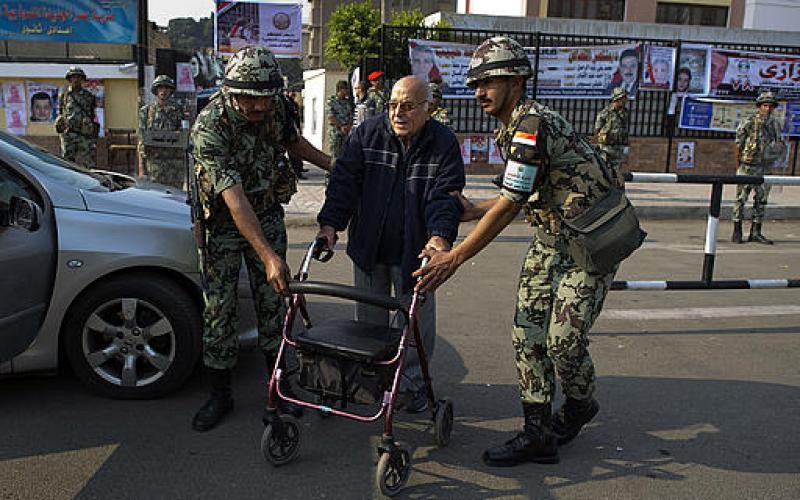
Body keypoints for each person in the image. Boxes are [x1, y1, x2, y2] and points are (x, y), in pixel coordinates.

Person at [414, 36, 617, 466]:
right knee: (527, 336)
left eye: (489, 82)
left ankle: (580, 405)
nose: (479, 92)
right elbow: (520, 193)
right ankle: (538, 433)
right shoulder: (514, 125)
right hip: (549, 242)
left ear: (518, 81)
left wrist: (456, 256)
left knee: (564, 341)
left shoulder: (531, 124)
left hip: (589, 245)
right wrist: (474, 211)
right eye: (475, 84)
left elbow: (509, 205)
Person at [190, 47, 332, 432]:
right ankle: (220, 394)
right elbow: (233, 198)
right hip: (222, 223)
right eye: (247, 99)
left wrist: (336, 165)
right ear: (230, 92)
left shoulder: (278, 107)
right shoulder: (210, 125)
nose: (256, 107)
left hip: (267, 213)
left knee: (274, 300)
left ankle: (279, 387)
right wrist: (268, 255)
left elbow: (293, 143)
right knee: (219, 310)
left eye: (263, 99)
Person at [316, 76, 465, 413]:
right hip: (370, 248)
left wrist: (440, 237)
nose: (398, 113)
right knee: (369, 326)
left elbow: (446, 195)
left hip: (417, 252)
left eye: (408, 106)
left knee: (415, 325)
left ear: (428, 109)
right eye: (393, 105)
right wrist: (330, 225)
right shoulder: (367, 134)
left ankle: (411, 387)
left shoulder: (443, 143)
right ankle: (372, 382)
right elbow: (344, 184)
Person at [731, 91, 786, 245]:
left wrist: (775, 156)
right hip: (748, 165)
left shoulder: (774, 124)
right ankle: (737, 230)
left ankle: (756, 231)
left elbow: (779, 143)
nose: (767, 109)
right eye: (765, 105)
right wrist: (738, 165)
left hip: (765, 166)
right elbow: (738, 143)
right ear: (759, 106)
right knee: (741, 199)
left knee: (761, 200)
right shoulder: (749, 121)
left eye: (770, 106)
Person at [137, 75, 185, 188]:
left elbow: (184, 135)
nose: (163, 91)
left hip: (175, 165)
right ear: (156, 90)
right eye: (160, 88)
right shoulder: (147, 111)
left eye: (166, 88)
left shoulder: (178, 111)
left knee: (176, 197)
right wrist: (141, 168)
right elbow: (141, 141)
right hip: (154, 164)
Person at [55, 67, 98, 168]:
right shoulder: (64, 95)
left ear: (82, 79)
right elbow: (61, 112)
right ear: (70, 79)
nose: (76, 80)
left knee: (89, 162)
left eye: (78, 77)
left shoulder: (89, 96)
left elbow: (92, 114)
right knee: (67, 162)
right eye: (73, 77)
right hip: (69, 133)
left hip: (84, 134)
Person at [593, 87, 629, 188]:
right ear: (617, 99)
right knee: (604, 167)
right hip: (606, 147)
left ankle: (615, 187)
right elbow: (597, 128)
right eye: (623, 98)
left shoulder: (624, 112)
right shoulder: (606, 112)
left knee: (617, 169)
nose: (625, 101)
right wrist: (598, 140)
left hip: (618, 146)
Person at [326, 80, 354, 162]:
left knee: (345, 154)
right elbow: (331, 117)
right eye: (345, 89)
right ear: (340, 89)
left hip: (346, 133)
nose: (347, 91)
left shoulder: (347, 102)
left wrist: (348, 126)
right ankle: (331, 173)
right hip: (335, 133)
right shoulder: (331, 101)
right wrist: (341, 126)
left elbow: (351, 116)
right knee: (335, 155)